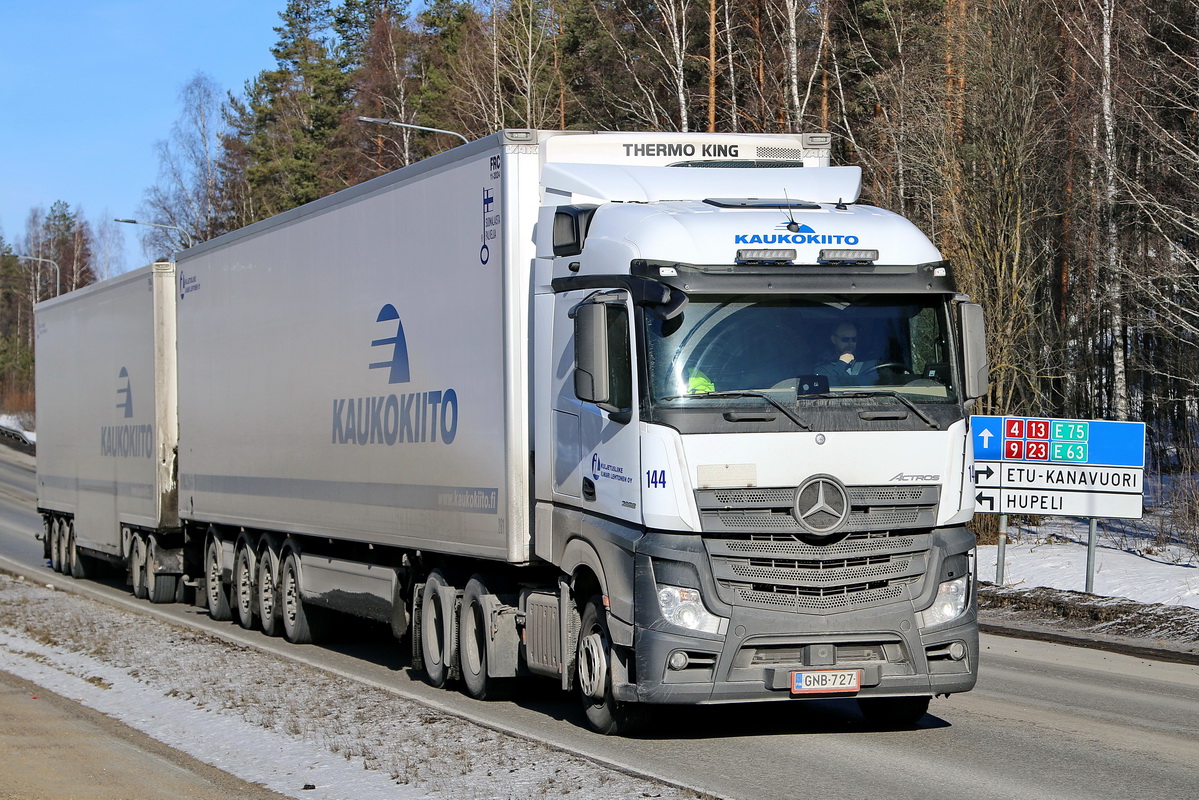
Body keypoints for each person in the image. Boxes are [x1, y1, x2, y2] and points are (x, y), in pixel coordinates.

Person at [815, 322, 876, 386]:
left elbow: (877, 382)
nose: (850, 343)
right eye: (845, 339)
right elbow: (826, 385)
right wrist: (842, 364)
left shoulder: (869, 362)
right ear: (834, 340)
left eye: (854, 339)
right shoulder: (823, 365)